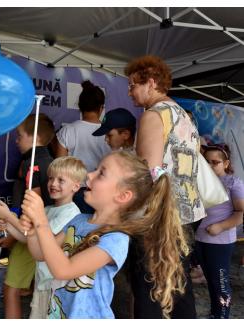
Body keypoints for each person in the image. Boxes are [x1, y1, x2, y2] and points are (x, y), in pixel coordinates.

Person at [19, 150, 189, 318]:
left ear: (123, 196)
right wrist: (34, 231)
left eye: (101, 173)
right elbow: (40, 254)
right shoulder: (78, 221)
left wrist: (41, 223)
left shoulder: (116, 238)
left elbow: (64, 269)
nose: (89, 175)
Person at [125, 55, 206, 318]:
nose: (130, 92)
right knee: (178, 283)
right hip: (187, 213)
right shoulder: (184, 116)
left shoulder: (153, 115)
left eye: (132, 85)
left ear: (150, 82)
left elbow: (148, 172)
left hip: (158, 216)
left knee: (149, 287)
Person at [0, 156, 85, 318]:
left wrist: (9, 217)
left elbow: (44, 242)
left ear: (76, 186)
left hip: (56, 283)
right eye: (51, 178)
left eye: (61, 180)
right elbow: (29, 238)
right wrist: (8, 226)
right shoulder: (47, 209)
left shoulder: (71, 212)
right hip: (43, 280)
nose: (53, 184)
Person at [0, 113, 55, 318]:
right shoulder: (51, 161)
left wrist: (12, 231)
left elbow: (32, 208)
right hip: (45, 235)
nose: (16, 141)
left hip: (29, 234)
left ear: (35, 137)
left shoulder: (31, 163)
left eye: (19, 136)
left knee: (11, 288)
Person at [195, 144, 244, 318]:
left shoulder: (233, 183)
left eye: (214, 162)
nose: (209, 166)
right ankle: (215, 314)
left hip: (220, 242)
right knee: (211, 281)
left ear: (226, 163)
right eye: (206, 162)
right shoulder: (199, 181)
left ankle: (223, 316)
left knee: (221, 284)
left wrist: (220, 226)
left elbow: (241, 213)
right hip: (200, 239)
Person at [53, 80, 111, 213]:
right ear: (101, 108)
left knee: (73, 232)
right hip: (103, 191)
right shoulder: (110, 133)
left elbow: (59, 168)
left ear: (80, 106)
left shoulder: (68, 130)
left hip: (74, 191)